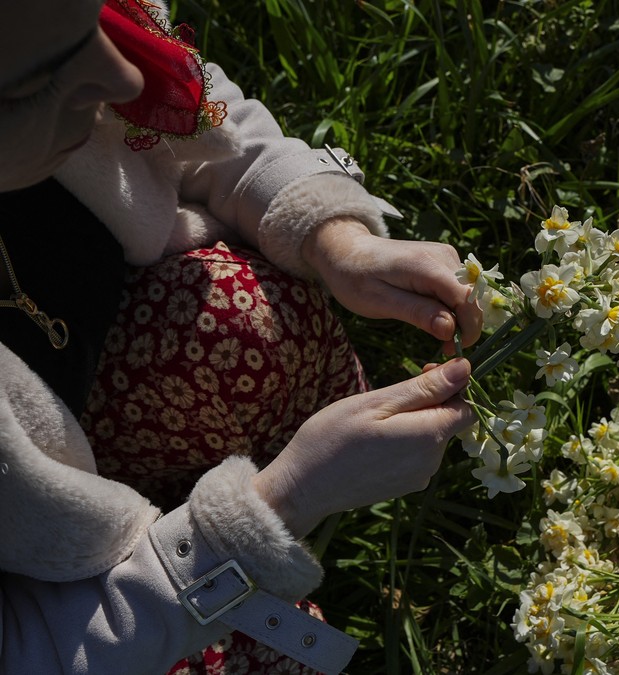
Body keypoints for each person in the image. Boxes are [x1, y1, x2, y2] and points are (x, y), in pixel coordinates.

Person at [0, 0, 482, 672]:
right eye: (30, 84)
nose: (126, 78)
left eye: (96, 27)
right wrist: (278, 503)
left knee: (245, 322)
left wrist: (335, 240)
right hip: (53, 608)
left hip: (67, 424)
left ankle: (290, 497)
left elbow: (194, 113)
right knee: (266, 656)